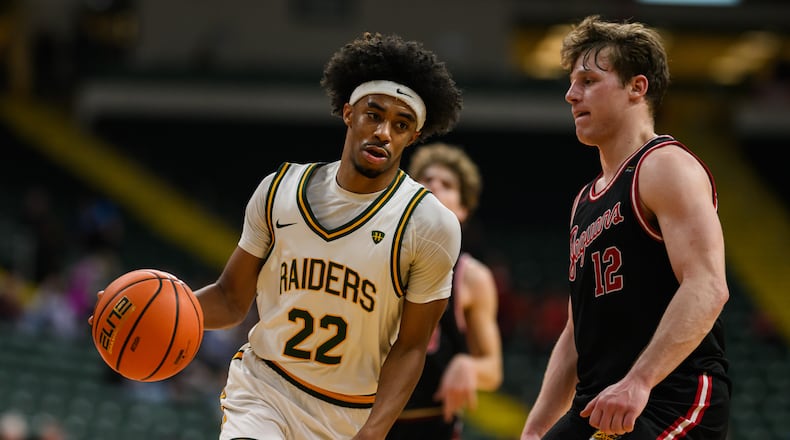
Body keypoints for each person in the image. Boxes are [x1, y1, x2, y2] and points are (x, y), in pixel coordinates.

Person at [194, 32, 463, 440]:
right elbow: (231, 299)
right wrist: (168, 304)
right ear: (348, 112)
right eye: (374, 115)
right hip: (264, 388)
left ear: (413, 137)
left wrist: (374, 432)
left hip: (348, 415)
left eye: (401, 124)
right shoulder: (279, 189)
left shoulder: (428, 225)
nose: (384, 132)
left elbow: (411, 348)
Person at [520, 15, 731, 440]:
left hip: (670, 396)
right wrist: (538, 427)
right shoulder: (585, 199)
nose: (570, 94)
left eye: (588, 80)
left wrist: (640, 381)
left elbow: (708, 286)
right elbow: (575, 333)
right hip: (597, 403)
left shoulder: (664, 166)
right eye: (571, 82)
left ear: (637, 87)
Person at [388, 143, 503, 439]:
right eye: (425, 180)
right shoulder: (378, 256)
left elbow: (493, 370)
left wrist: (469, 366)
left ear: (463, 210)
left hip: (431, 425)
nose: (434, 185)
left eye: (447, 184)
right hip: (363, 416)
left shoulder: (472, 277)